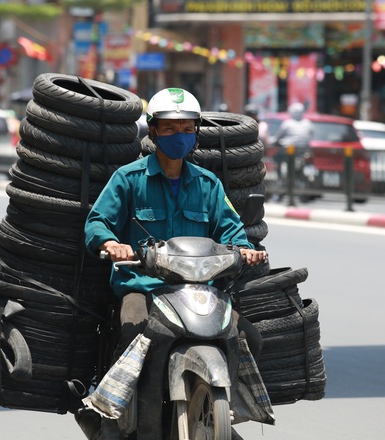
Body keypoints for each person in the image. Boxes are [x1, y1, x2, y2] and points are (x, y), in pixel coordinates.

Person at [83, 87, 266, 440]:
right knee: (133, 330)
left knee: (248, 337)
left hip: (199, 291)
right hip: (144, 288)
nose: (179, 136)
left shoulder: (208, 185)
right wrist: (111, 243)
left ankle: (218, 413)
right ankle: (113, 420)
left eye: (186, 129)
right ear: (153, 131)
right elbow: (97, 221)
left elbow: (232, 230)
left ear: (196, 133)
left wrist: (245, 250)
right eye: (169, 128)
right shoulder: (129, 179)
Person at [273, 102, 314, 179]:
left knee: (276, 157)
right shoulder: (308, 123)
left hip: (288, 150)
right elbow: (311, 136)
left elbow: (278, 137)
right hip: (303, 151)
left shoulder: (287, 123)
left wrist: (274, 141)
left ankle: (280, 178)